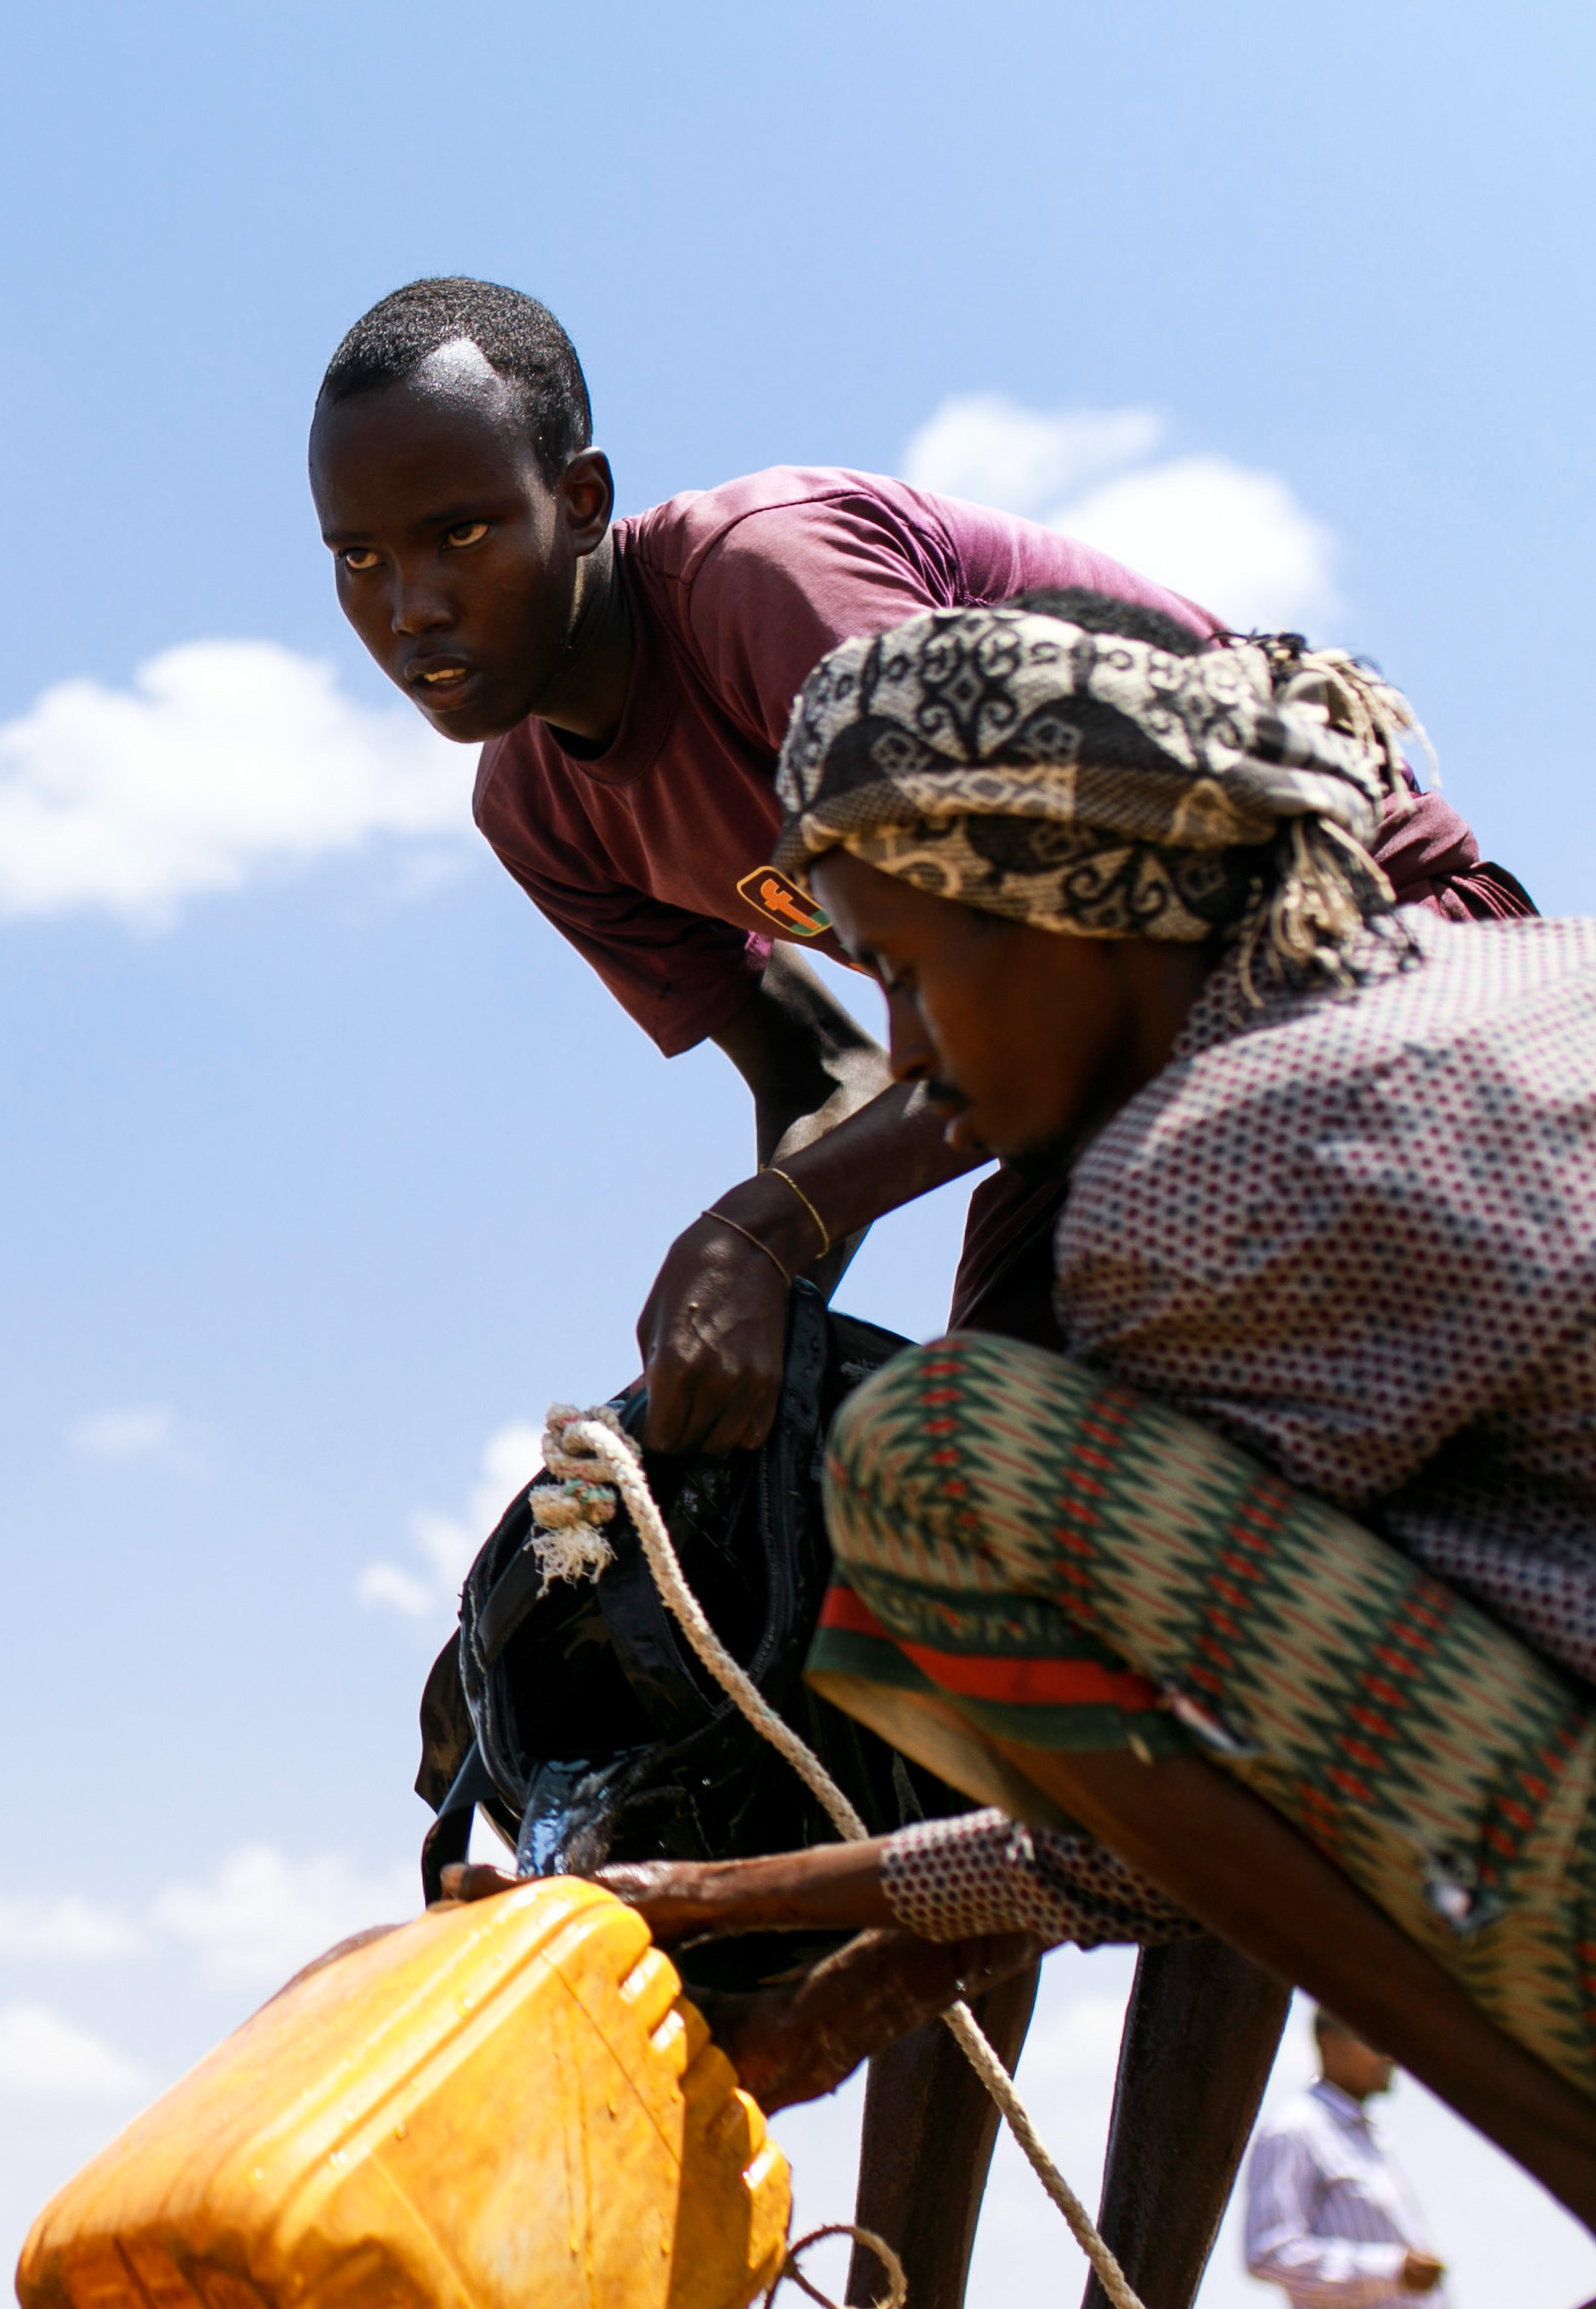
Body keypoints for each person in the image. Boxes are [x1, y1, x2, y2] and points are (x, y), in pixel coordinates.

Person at [590, 602, 1596, 2309]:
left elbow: (1183, 1828)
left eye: (917, 970)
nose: (914, 1067)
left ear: (1078, 905)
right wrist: (840, 1947)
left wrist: (756, 1902)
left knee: (936, 1461)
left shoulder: (1224, 1170)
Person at [304, 276, 1531, 1444]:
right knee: (951, 1495)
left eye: (459, 533)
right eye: (358, 558)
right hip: (1085, 1066)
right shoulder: (535, 811)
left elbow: (1055, 953)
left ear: (578, 502)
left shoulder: (767, 585)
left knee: (1129, 1458)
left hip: (1330, 937)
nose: (409, 606)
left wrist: (766, 1230)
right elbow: (820, 1075)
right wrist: (742, 1317)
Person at [1245, 2012, 1450, 2309]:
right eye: (1374, 2040)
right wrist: (1392, 2269)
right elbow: (1269, 2252)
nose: (1390, 2056)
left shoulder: (1362, 2134)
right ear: (1329, 2042)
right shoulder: (1297, 2130)